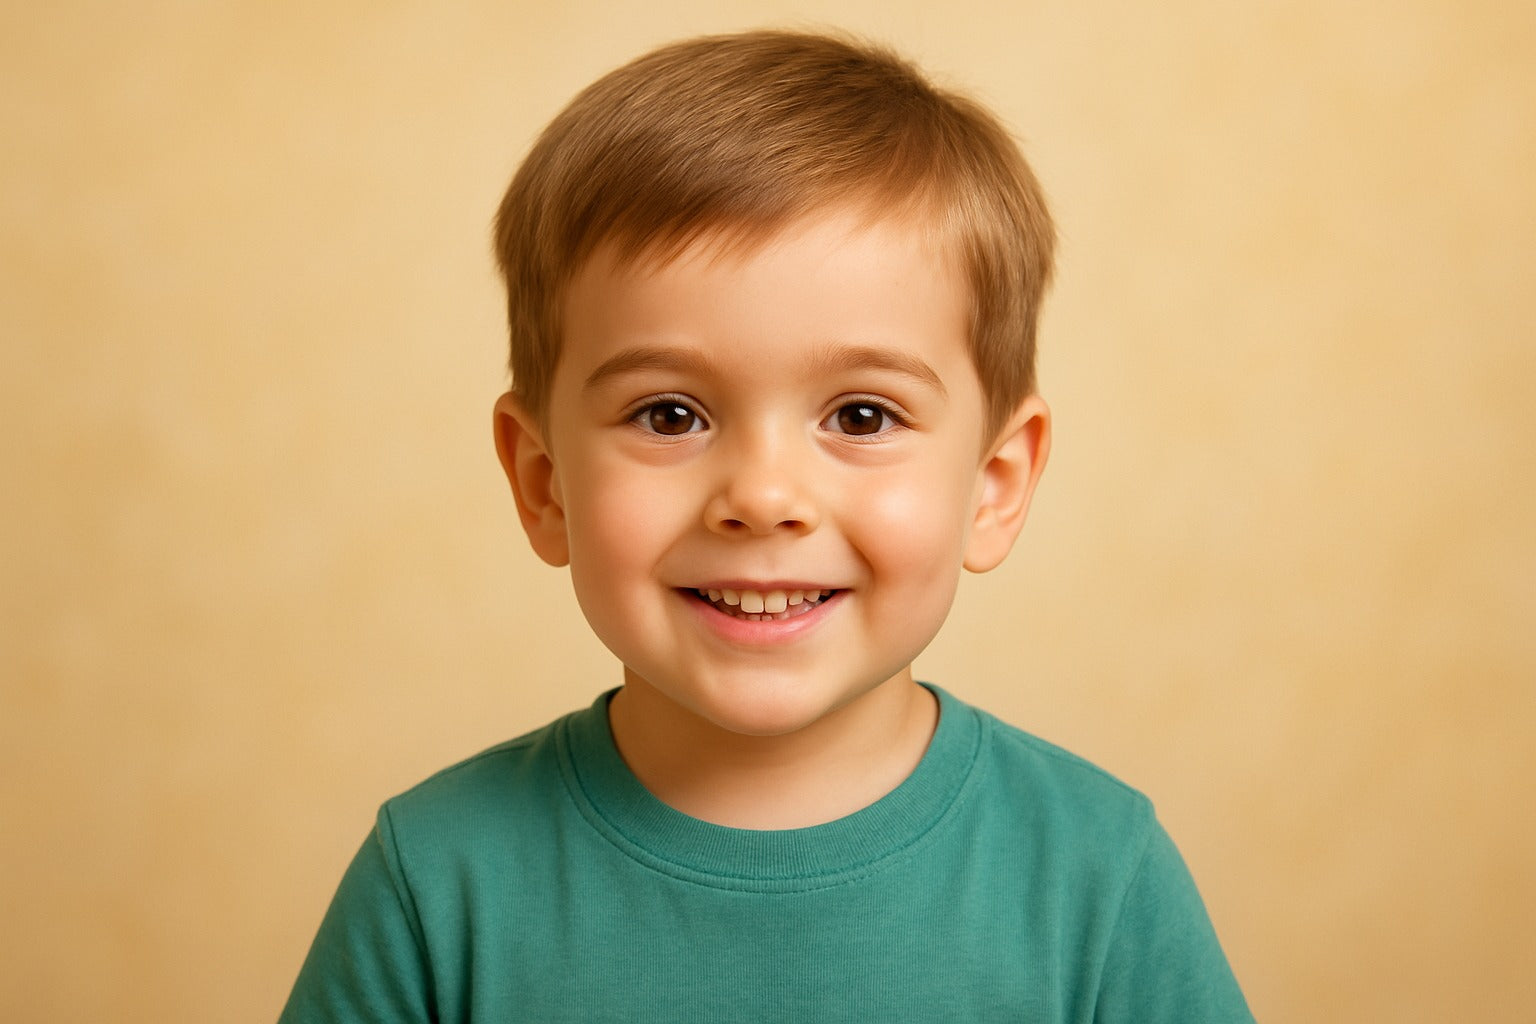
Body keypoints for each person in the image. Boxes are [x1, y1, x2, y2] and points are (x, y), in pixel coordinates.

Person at [279, 29, 1253, 1023]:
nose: (763, 495)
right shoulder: (437, 883)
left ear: (994, 484)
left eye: (860, 417)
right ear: (544, 483)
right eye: (670, 414)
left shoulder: (1094, 876)